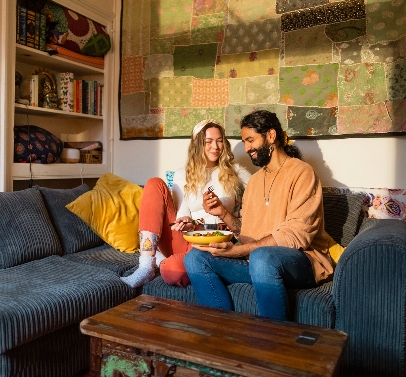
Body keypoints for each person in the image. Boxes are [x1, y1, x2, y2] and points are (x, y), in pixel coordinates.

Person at [184, 110, 334, 321]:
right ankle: (221, 330)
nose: (247, 148)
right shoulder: (254, 181)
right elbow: (246, 230)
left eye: (251, 140)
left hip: (302, 263)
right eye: (245, 142)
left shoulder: (302, 173)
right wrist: (224, 214)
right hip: (257, 262)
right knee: (195, 258)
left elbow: (296, 236)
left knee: (262, 257)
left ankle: (272, 343)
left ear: (271, 136)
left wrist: (237, 252)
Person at [120, 119, 251, 289]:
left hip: (218, 240)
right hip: (190, 237)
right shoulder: (183, 174)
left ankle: (160, 260)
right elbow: (183, 214)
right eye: (208, 142)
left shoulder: (236, 171)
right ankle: (145, 267)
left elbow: (261, 190)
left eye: (219, 141)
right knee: (154, 183)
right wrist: (185, 221)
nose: (216, 147)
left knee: (172, 271)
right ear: (197, 145)